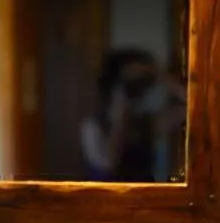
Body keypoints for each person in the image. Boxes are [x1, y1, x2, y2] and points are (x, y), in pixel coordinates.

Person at [80, 48, 187, 182]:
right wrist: (119, 121)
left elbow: (186, 110)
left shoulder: (140, 124)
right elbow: (107, 164)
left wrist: (160, 76)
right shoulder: (92, 127)